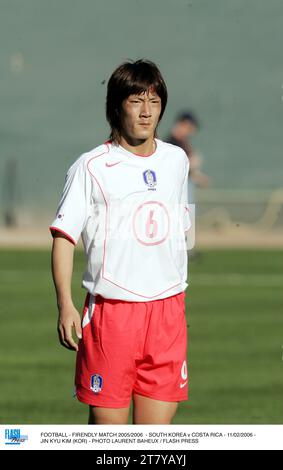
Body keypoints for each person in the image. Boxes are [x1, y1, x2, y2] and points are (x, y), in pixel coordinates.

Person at [49, 59, 191, 425]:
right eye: (135, 101)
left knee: (154, 440)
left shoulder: (177, 160)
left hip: (167, 314)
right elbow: (64, 237)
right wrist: (65, 304)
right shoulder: (91, 167)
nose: (146, 113)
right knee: (110, 440)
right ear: (116, 107)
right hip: (113, 315)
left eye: (155, 102)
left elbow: (178, 232)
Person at [166, 111, 209, 202]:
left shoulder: (183, 143)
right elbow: (172, 169)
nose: (191, 132)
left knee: (189, 214)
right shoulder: (170, 144)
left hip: (185, 189)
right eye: (189, 128)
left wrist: (196, 175)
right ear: (182, 124)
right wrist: (190, 163)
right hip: (176, 193)